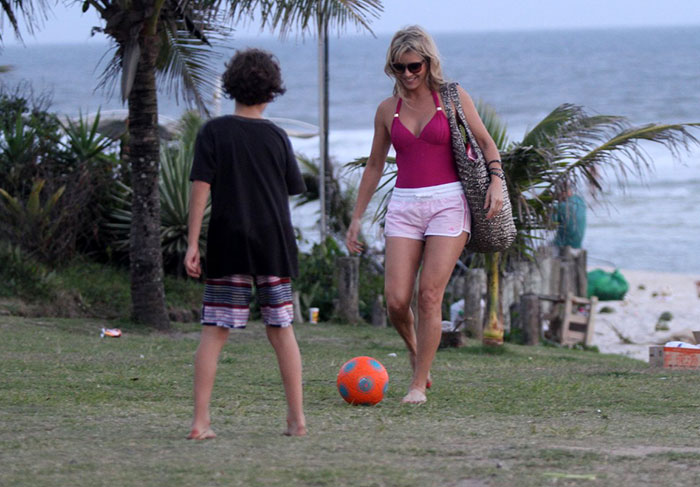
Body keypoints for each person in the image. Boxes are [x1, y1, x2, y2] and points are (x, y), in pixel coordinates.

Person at [345, 26, 504, 404]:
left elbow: (485, 141)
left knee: (429, 295)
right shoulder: (387, 109)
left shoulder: (450, 97)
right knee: (397, 300)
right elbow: (374, 165)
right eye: (399, 68)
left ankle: (418, 385)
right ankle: (419, 352)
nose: (407, 74)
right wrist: (356, 218)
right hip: (404, 204)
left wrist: (496, 180)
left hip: (449, 202)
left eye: (414, 66)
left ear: (428, 62)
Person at [184, 48, 307, 438]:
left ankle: (201, 422)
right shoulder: (277, 136)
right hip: (273, 242)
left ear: (230, 85)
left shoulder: (213, 132)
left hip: (228, 240)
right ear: (272, 92)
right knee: (281, 329)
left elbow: (200, 190)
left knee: (214, 331)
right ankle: (296, 420)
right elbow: (288, 191)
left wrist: (192, 244)